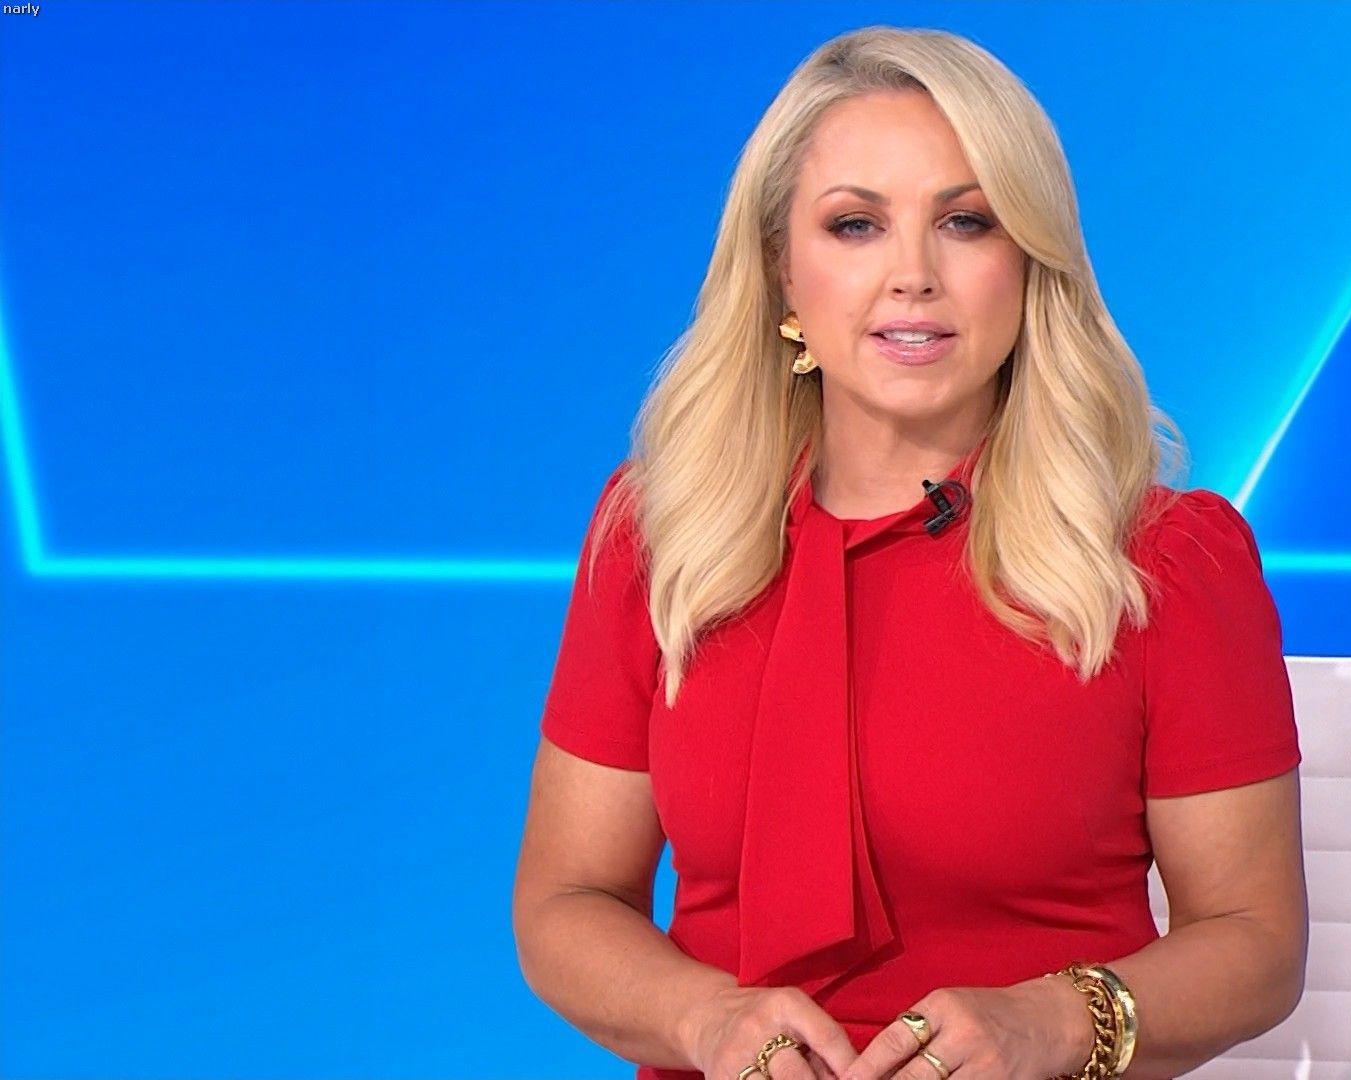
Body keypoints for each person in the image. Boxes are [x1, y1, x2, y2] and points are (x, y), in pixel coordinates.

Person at [512, 25, 1307, 1080]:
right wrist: (706, 1022)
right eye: (856, 225)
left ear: (1030, 262)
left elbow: (1256, 940)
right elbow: (566, 900)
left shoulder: (1166, 559)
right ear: (781, 269)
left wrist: (1055, 1022)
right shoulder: (661, 533)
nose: (913, 276)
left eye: (966, 222)